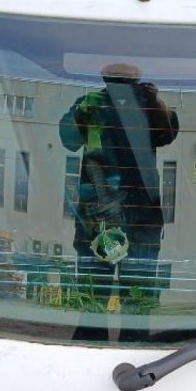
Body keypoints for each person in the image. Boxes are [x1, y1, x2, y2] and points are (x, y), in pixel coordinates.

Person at [59, 63, 179, 340]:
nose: (121, 87)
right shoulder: (90, 105)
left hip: (141, 224)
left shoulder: (148, 107)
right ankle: (91, 351)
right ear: (106, 81)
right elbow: (68, 139)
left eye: (127, 82)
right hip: (97, 224)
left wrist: (154, 102)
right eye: (116, 82)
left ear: (137, 82)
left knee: (136, 309)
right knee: (92, 308)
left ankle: (131, 353)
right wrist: (80, 113)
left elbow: (168, 133)